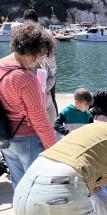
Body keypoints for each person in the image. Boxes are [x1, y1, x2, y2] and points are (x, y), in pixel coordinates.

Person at [0, 22, 56, 188]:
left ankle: (22, 213)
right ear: (33, 52)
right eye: (41, 54)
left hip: (5, 137)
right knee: (37, 188)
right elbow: (40, 119)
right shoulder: (25, 77)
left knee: (20, 185)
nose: (41, 60)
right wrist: (54, 149)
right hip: (27, 139)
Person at [24, 8, 59, 124]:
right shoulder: (46, 33)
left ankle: (41, 124)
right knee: (51, 98)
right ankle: (54, 124)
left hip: (40, 71)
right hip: (51, 71)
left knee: (37, 99)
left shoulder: (29, 35)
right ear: (37, 20)